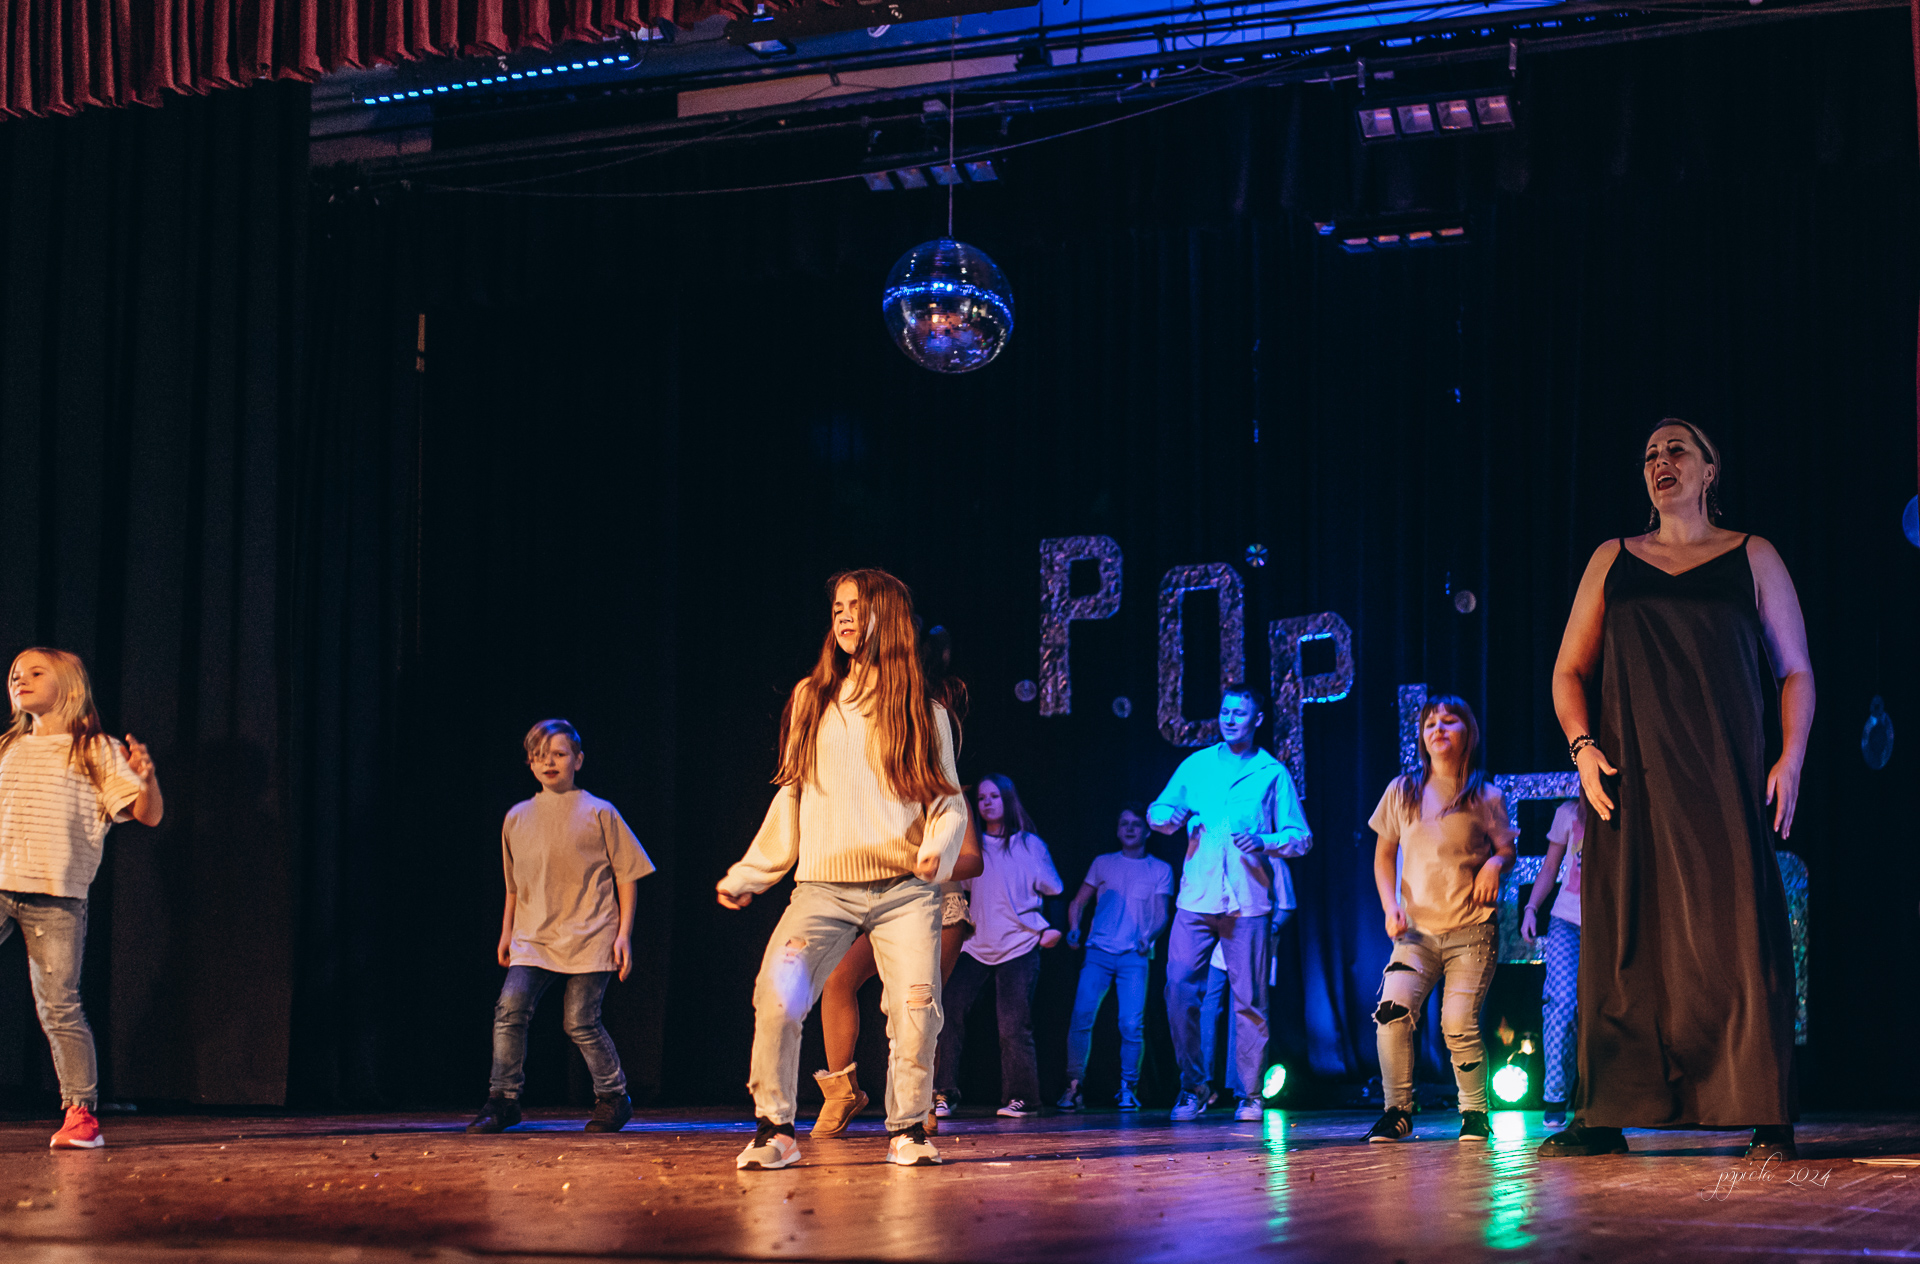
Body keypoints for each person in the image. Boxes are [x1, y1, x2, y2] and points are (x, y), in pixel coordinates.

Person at [1542, 420, 1811, 1162]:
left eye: (1677, 450)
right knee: (1626, 943)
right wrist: (1583, 749)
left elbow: (1795, 669)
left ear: (1709, 469)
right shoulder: (1613, 559)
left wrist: (1790, 758)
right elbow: (1568, 671)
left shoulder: (1752, 555)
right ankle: (1604, 1114)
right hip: (1630, 778)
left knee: (1736, 934)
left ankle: (1763, 1109)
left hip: (1724, 776)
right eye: (1650, 455)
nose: (1660, 461)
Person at [718, 569, 967, 1171]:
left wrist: (936, 849)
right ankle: (775, 1129)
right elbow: (792, 794)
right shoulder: (812, 699)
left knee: (915, 1008)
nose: (845, 616)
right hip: (823, 889)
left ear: (891, 617)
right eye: (838, 608)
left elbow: (949, 803)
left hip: (905, 891)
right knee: (777, 993)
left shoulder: (923, 711)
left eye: (858, 605)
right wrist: (753, 871)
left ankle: (907, 1127)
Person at [812, 627, 983, 1138]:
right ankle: (842, 1092)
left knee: (913, 1004)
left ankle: (918, 1102)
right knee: (837, 979)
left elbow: (971, 859)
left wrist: (922, 863)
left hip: (938, 905)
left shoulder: (942, 786)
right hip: (885, 904)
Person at [0, 648, 163, 1150]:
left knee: (59, 1006)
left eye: (36, 672)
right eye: (15, 674)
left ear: (70, 686)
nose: (20, 679)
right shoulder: (9, 746)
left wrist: (147, 780)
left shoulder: (95, 749)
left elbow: (148, 815)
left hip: (56, 895)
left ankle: (81, 1114)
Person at [468, 719, 655, 1135]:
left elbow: (627, 875)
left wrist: (624, 934)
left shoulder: (600, 812)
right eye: (539, 756)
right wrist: (506, 932)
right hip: (534, 936)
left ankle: (614, 1097)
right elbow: (514, 885)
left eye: (559, 753)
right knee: (509, 1010)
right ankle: (503, 1100)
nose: (549, 762)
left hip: (590, 933)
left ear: (578, 760)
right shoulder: (517, 817)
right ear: (530, 764)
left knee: (580, 1020)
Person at [1150, 684, 1312, 1123]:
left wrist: (1265, 840)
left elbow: (1301, 837)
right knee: (1178, 987)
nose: (1230, 719)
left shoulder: (1271, 772)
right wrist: (1167, 817)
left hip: (1248, 903)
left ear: (1257, 719)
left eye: (1240, 713)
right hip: (1197, 899)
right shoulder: (1197, 765)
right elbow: (1158, 811)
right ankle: (1193, 1086)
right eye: (1225, 711)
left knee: (1250, 1001)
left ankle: (1250, 1095)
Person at [1362, 694, 1517, 1144]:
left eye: (1449, 721)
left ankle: (1474, 1113)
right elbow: (1383, 856)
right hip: (1415, 935)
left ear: (1468, 732)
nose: (1438, 729)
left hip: (1471, 931)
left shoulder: (1486, 796)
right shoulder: (1403, 791)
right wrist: (1390, 905)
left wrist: (1495, 863)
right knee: (1391, 1013)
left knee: (1457, 1023)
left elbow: (1507, 849)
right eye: (1430, 723)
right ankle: (1397, 1112)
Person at [933, 775, 1062, 1118]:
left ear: (1008, 799)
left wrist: (1053, 929)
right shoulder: (971, 847)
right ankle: (943, 1092)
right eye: (981, 798)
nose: (987, 802)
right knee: (948, 1013)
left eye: (994, 796)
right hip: (975, 944)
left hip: (1019, 943)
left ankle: (1023, 1098)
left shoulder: (1030, 845)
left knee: (1013, 1025)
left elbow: (1056, 890)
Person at [1057, 802, 1172, 1112]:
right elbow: (1078, 902)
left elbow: (1162, 913)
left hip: (1134, 955)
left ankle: (1128, 1088)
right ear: (1118, 830)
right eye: (1125, 823)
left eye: (1136, 824)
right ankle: (1074, 1086)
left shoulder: (1160, 869)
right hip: (1098, 951)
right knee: (1082, 1016)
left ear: (1147, 831)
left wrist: (1150, 935)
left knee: (1131, 1024)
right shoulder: (1103, 863)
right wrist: (1074, 928)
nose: (1130, 829)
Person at [1521, 799, 1584, 1127]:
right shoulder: (1569, 813)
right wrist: (1531, 908)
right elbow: (1550, 867)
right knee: (1562, 1003)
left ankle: (1607, 1096)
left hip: (1612, 922)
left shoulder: (1631, 808)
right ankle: (1556, 1095)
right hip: (1567, 920)